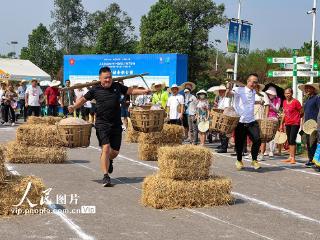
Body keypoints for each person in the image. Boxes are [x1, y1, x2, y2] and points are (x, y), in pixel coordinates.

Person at [68, 67, 151, 187]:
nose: (108, 79)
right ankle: (106, 176)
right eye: (105, 77)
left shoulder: (117, 86)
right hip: (102, 124)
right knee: (105, 148)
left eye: (110, 77)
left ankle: (109, 160)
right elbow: (83, 99)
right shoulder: (94, 89)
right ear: (100, 78)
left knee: (115, 152)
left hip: (116, 124)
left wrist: (143, 91)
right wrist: (74, 107)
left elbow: (130, 91)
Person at [226, 73, 262, 170]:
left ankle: (254, 160)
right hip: (240, 121)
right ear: (248, 81)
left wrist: (259, 102)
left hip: (251, 121)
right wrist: (228, 88)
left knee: (257, 139)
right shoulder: (239, 90)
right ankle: (239, 160)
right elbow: (228, 95)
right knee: (239, 143)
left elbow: (250, 102)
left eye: (255, 82)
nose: (253, 84)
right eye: (252, 81)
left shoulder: (254, 92)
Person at [298, 83, 320, 167]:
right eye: (306, 89)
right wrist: (302, 124)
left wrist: (318, 124)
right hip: (307, 125)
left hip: (314, 125)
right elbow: (304, 113)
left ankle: (315, 161)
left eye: (308, 88)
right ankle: (310, 159)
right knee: (308, 143)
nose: (306, 90)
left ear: (313, 89)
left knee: (314, 142)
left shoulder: (317, 98)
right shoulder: (307, 100)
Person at [280, 88, 302, 164]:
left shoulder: (296, 102)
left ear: (292, 93)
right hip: (287, 123)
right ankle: (290, 156)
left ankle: (293, 157)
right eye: (286, 93)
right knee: (289, 140)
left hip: (295, 123)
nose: (287, 95)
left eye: (288, 93)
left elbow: (302, 112)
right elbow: (284, 113)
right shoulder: (284, 102)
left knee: (292, 139)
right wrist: (281, 124)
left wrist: (298, 119)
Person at [259, 86, 281, 159]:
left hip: (273, 118)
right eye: (268, 94)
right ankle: (264, 150)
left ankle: (271, 150)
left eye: (271, 94)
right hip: (265, 117)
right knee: (264, 134)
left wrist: (270, 103)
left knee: (271, 134)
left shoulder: (278, 99)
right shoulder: (265, 98)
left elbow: (277, 109)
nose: (269, 95)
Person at [213, 85, 231, 153]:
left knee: (223, 132)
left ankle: (224, 147)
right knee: (220, 132)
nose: (220, 92)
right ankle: (222, 145)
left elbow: (226, 108)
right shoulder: (220, 99)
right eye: (219, 91)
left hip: (224, 116)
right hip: (220, 116)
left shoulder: (226, 99)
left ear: (224, 92)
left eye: (221, 91)